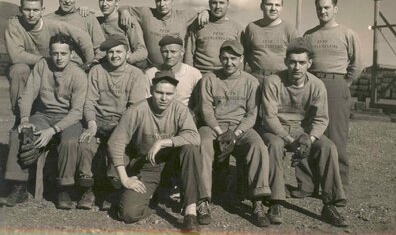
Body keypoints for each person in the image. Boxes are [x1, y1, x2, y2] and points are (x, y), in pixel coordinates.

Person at [260, 37, 348, 227]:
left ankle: (330, 203)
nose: (296, 67)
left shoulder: (317, 85)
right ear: (286, 62)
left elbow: (321, 118)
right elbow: (269, 117)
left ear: (309, 63)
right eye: (292, 62)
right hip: (278, 130)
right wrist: (288, 139)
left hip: (304, 131)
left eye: (301, 62)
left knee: (328, 147)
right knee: (274, 145)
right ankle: (276, 201)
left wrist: (311, 137)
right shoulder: (273, 81)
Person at [108, 70, 208, 231]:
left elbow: (194, 137)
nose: (163, 98)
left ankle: (190, 212)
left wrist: (163, 142)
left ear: (175, 93)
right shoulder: (137, 110)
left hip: (174, 165)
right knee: (128, 214)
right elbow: (115, 143)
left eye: (168, 94)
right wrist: (125, 179)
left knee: (191, 150)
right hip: (149, 165)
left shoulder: (180, 110)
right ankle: (155, 197)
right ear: (151, 90)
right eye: (159, 92)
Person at [0, 34, 88, 210]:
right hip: (42, 115)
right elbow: (28, 94)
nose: (59, 57)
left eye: (63, 53)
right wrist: (24, 120)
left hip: (67, 118)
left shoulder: (78, 74)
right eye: (55, 53)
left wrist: (52, 131)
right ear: (50, 52)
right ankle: (19, 187)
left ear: (71, 54)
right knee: (19, 134)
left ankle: (64, 189)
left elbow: (77, 112)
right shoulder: (42, 65)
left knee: (70, 142)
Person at [199, 40, 271, 228]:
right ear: (220, 59)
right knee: (202, 143)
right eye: (225, 58)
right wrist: (219, 131)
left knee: (258, 146)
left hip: (241, 127)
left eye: (233, 58)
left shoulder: (251, 81)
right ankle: (203, 199)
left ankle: (258, 201)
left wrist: (236, 133)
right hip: (215, 126)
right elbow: (206, 110)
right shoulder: (209, 78)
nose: (229, 62)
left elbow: (252, 114)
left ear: (241, 59)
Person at [76, 34, 147, 210]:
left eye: (119, 52)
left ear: (127, 53)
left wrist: (118, 129)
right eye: (110, 52)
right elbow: (89, 102)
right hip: (98, 121)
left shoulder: (136, 74)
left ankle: (111, 191)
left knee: (117, 148)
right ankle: (88, 190)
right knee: (86, 144)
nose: (115, 56)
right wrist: (91, 123)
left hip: (122, 122)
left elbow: (134, 108)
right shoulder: (97, 71)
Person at [302, 0, 363, 188]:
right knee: (309, 131)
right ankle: (307, 184)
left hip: (337, 84)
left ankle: (338, 184)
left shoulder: (348, 34)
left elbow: (358, 64)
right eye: (319, 8)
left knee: (336, 136)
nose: (323, 11)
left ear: (335, 9)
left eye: (327, 7)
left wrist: (344, 83)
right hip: (312, 84)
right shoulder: (309, 35)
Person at [4, 0, 94, 123]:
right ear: (20, 9)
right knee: (18, 70)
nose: (31, 14)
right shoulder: (14, 25)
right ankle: (21, 118)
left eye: (35, 10)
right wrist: (45, 60)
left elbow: (83, 37)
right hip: (32, 67)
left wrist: (89, 63)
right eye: (27, 9)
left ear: (42, 10)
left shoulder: (52, 24)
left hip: (50, 69)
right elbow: (16, 56)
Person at [118, 0, 208, 68]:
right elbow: (124, 7)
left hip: (177, 70)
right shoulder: (146, 13)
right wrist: (124, 12)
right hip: (152, 69)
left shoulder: (183, 16)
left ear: (172, 0)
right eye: (158, 0)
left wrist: (205, 11)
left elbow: (205, 14)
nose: (162, 4)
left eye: (166, 0)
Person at [242, 0, 300, 84]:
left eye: (277, 5)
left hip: (281, 81)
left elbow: (298, 58)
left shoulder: (289, 29)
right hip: (256, 80)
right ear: (261, 6)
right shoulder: (252, 27)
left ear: (282, 7)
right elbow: (246, 54)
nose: (273, 8)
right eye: (269, 4)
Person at [46, 0, 105, 67]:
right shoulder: (46, 20)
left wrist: (92, 64)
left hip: (80, 69)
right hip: (53, 68)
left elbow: (101, 48)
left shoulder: (88, 18)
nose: (67, 0)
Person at [184, 0, 243, 74]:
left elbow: (241, 57)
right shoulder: (198, 23)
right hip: (201, 74)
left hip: (226, 76)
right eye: (214, 3)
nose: (218, 6)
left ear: (228, 4)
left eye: (221, 3)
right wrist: (189, 75)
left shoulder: (236, 28)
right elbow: (189, 53)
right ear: (209, 3)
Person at [97, 0, 148, 67]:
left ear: (117, 2)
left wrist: (125, 60)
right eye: (101, 0)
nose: (104, 4)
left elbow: (142, 51)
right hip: (105, 67)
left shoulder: (126, 20)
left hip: (127, 67)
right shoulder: (97, 22)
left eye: (109, 0)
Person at [145, 35, 202, 107]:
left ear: (182, 52)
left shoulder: (194, 74)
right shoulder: (150, 73)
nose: (169, 56)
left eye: (173, 52)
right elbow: (146, 102)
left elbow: (199, 103)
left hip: (185, 115)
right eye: (165, 51)